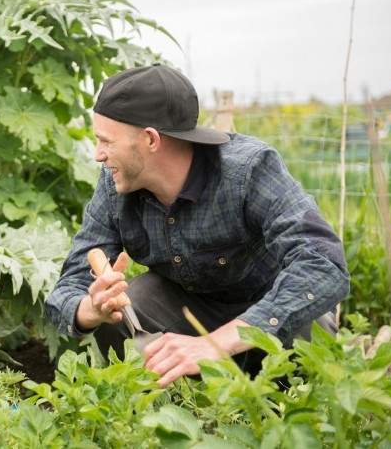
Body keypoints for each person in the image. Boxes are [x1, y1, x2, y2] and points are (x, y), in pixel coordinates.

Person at [45, 64, 349, 387]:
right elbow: (67, 288)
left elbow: (325, 265)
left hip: (265, 311)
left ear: (150, 139)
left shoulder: (247, 171)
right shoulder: (115, 186)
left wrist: (213, 344)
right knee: (124, 306)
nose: (98, 155)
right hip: (190, 312)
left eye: (106, 142)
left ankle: (283, 400)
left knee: (307, 327)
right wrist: (90, 308)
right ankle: (168, 414)